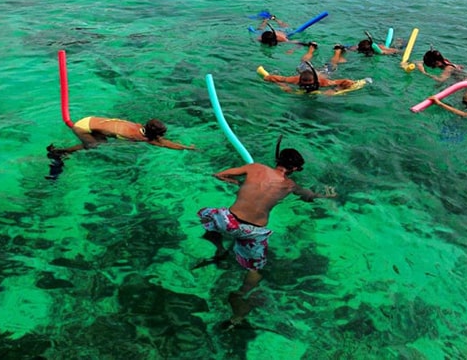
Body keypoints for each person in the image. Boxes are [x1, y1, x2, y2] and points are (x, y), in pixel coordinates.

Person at [196, 138, 337, 328]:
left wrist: (240, 184)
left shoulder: (255, 168)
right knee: (254, 269)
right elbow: (309, 198)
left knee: (206, 214)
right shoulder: (290, 186)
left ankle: (220, 248)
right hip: (253, 232)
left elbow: (219, 174)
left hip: (228, 222)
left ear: (278, 160)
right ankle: (240, 296)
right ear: (294, 169)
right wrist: (327, 195)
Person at [45, 117, 194, 178]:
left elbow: (161, 140)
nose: (162, 136)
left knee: (102, 142)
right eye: (161, 133)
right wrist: (187, 148)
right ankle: (59, 152)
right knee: (95, 146)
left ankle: (62, 151)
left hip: (90, 120)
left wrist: (186, 147)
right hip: (81, 127)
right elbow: (164, 143)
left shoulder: (139, 128)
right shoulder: (136, 137)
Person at [261, 44, 361, 94]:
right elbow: (269, 77)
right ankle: (312, 47)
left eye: (309, 82)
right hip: (305, 69)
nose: (307, 84)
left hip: (323, 73)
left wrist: (335, 89)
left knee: (332, 64)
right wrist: (284, 85)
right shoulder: (294, 80)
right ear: (300, 79)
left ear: (315, 80)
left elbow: (348, 82)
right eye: (304, 82)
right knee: (304, 62)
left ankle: (338, 51)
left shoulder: (324, 82)